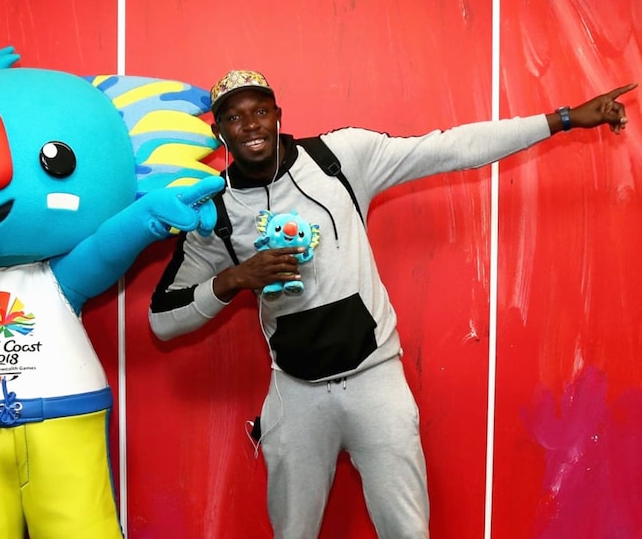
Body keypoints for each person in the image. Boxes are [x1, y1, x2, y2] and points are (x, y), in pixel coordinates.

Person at [148, 69, 635, 539]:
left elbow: (449, 148)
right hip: (295, 394)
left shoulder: (338, 158)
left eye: (260, 111)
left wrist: (564, 119)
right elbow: (162, 320)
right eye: (234, 117)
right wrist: (233, 279)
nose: (250, 124)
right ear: (220, 131)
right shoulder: (217, 214)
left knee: (406, 531)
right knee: (292, 533)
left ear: (278, 115)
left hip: (374, 381)